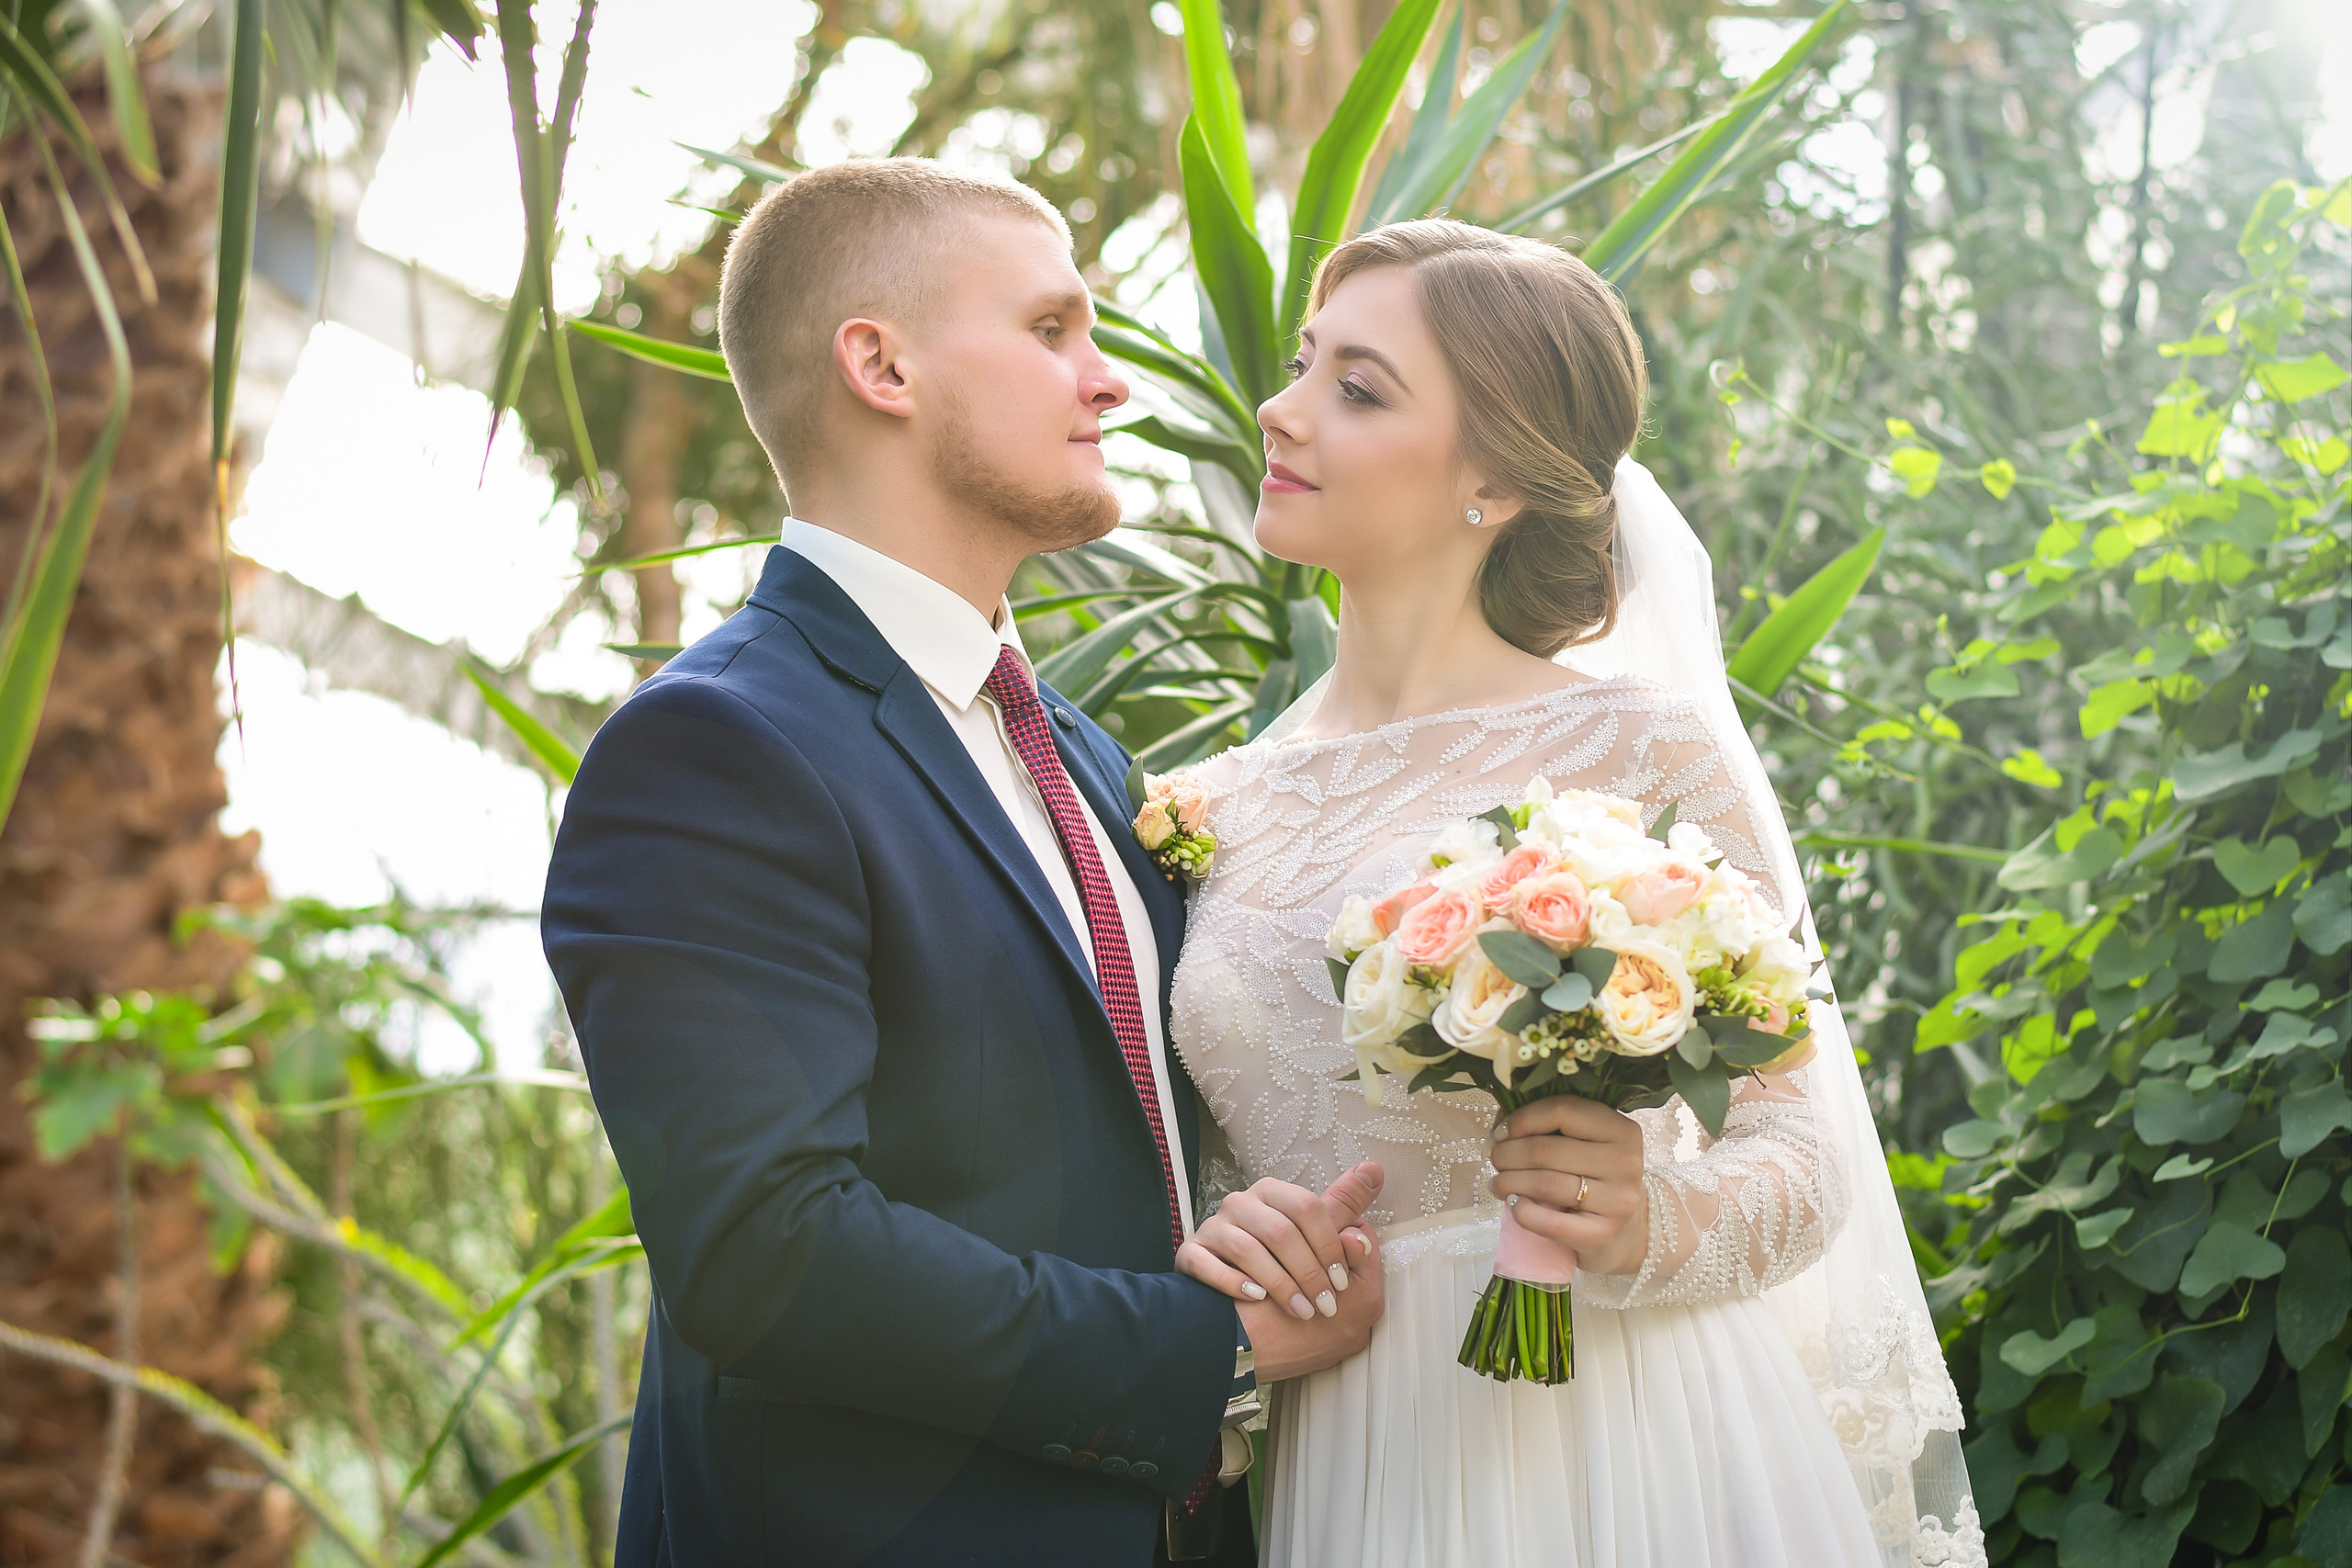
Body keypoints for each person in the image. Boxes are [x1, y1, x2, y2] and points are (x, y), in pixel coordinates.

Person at [540, 159, 1388, 1568]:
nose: (1106, 383)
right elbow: (768, 1255)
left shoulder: (1085, 757)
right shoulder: (714, 747)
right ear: (880, 365)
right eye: (1053, 331)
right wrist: (1211, 1348)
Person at [1165, 220, 1980, 1568]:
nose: (1280, 408)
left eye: (1356, 389)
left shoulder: (1641, 747)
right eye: (1305, 363)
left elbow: (1804, 1151)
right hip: (1362, 1445)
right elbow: (1187, 1145)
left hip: (1642, 1425)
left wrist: (1645, 1217)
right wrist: (1227, 1230)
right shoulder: (1204, 807)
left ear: (1493, 478)